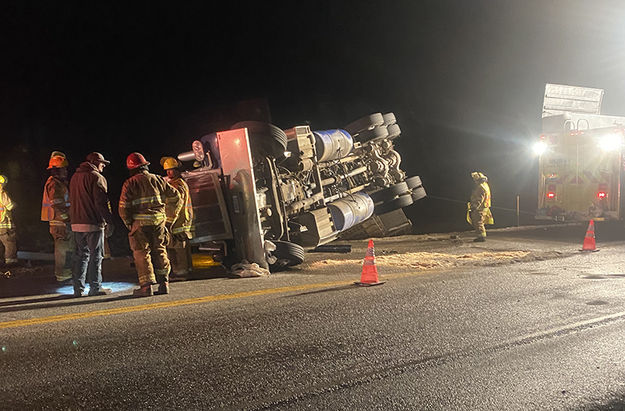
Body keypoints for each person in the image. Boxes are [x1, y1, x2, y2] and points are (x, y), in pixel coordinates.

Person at [119, 152, 181, 297]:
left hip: (139, 224)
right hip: (158, 222)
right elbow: (176, 197)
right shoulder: (158, 179)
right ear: (145, 166)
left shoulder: (130, 183)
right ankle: (164, 283)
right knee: (160, 249)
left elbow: (123, 208)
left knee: (142, 253)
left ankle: (146, 287)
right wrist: (169, 217)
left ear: (132, 168)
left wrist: (129, 224)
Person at [69, 152, 114, 297]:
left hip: (76, 223)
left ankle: (78, 289)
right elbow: (101, 202)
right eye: (102, 163)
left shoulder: (74, 177)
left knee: (81, 256)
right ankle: (95, 288)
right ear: (95, 162)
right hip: (92, 223)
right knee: (96, 256)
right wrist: (109, 221)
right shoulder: (97, 177)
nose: (103, 166)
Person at [41, 153, 73, 283]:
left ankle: (67, 275)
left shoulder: (59, 183)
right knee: (63, 251)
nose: (66, 171)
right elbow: (57, 204)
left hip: (61, 222)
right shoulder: (54, 184)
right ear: (56, 170)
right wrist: (67, 219)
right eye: (63, 169)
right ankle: (63, 277)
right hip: (60, 223)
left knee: (67, 250)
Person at [160, 156, 194, 277]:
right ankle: (185, 270)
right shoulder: (176, 183)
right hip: (180, 220)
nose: (169, 172)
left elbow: (174, 204)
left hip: (178, 221)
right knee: (179, 246)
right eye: (167, 170)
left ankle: (181, 272)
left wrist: (168, 221)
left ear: (177, 170)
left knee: (178, 247)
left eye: (171, 170)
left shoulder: (177, 184)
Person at [468, 171, 494, 242]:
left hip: (480, 208)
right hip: (485, 206)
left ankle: (481, 237)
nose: (474, 181)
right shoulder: (485, 185)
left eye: (475, 180)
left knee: (478, 222)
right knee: (480, 222)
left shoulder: (480, 188)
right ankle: (481, 236)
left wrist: (474, 207)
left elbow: (479, 199)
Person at [0, 175, 17, 266]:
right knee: (9, 242)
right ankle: (11, 263)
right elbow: (10, 206)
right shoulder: (2, 193)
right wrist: (16, 204)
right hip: (4, 223)